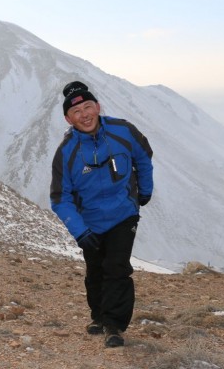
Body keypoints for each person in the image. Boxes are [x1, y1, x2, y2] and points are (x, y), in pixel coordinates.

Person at [50, 80, 154, 348]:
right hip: (90, 223)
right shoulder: (66, 153)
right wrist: (80, 231)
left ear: (97, 106)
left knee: (116, 268)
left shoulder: (123, 131)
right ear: (68, 118)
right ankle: (98, 316)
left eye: (88, 106)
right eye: (77, 112)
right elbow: (60, 198)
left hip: (124, 214)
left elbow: (143, 156)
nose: (84, 114)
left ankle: (114, 325)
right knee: (95, 270)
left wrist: (145, 191)